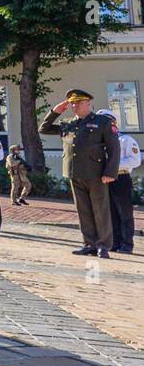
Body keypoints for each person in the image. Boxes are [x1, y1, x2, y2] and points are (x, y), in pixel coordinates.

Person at [41, 90, 118, 258]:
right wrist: (55, 112)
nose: (74, 106)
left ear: (87, 103)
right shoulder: (68, 123)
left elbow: (114, 149)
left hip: (96, 174)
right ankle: (89, 244)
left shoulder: (103, 122)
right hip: (75, 172)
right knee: (83, 210)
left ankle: (103, 245)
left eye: (78, 103)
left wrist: (110, 172)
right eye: (72, 103)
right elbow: (44, 129)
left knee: (100, 210)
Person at [99, 110, 138, 254]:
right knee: (112, 213)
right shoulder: (100, 141)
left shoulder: (125, 139)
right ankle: (115, 243)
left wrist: (112, 165)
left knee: (125, 213)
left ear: (113, 122)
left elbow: (135, 160)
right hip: (105, 180)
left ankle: (127, 244)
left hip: (121, 177)